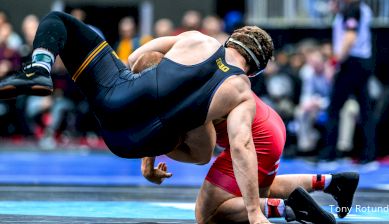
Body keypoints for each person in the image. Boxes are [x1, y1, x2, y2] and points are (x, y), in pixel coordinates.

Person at [0, 11, 274, 223]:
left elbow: (136, 59)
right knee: (201, 141)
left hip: (114, 100)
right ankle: (162, 138)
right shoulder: (242, 93)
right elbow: (241, 147)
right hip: (130, 143)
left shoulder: (197, 40)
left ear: (231, 39)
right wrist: (254, 212)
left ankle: (39, 65)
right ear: (254, 71)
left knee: (59, 21)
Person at [138, 52, 358, 224]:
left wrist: (162, 149)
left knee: (208, 215)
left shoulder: (185, 101)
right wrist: (148, 161)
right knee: (253, 189)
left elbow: (203, 154)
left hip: (255, 136)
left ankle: (290, 207)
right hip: (269, 123)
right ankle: (334, 182)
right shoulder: (184, 63)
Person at [320, 0, 376, 163]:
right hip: (361, 62)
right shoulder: (359, 9)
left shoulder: (353, 9)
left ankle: (329, 153)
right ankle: (369, 155)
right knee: (365, 110)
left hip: (352, 63)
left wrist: (334, 63)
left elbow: (350, 38)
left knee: (334, 109)